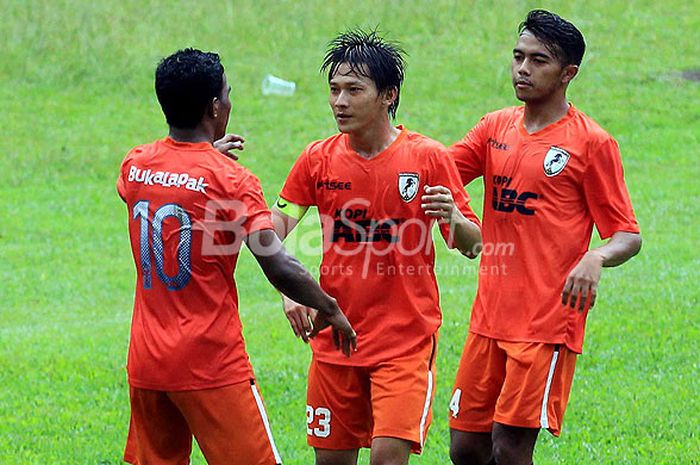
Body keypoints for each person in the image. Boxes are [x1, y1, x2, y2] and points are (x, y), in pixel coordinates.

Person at [116, 48, 356, 465]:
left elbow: (172, 190)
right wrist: (329, 306)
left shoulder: (135, 165)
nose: (229, 101)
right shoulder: (231, 179)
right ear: (214, 107)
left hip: (147, 364)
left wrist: (203, 158)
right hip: (210, 363)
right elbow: (277, 263)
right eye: (226, 94)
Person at [270, 30, 482, 465]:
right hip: (335, 340)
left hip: (404, 344)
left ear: (389, 95)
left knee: (388, 458)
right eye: (334, 90)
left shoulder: (427, 158)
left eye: (353, 90)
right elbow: (269, 233)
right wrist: (289, 290)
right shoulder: (317, 159)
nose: (339, 102)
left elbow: (473, 244)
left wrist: (454, 219)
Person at [446, 10, 642, 465]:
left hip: (546, 323)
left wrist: (596, 257)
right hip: (489, 318)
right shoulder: (494, 127)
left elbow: (627, 234)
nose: (522, 69)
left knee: (512, 448)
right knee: (466, 447)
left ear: (567, 73)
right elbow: (439, 170)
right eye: (518, 57)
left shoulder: (592, 143)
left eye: (538, 61)